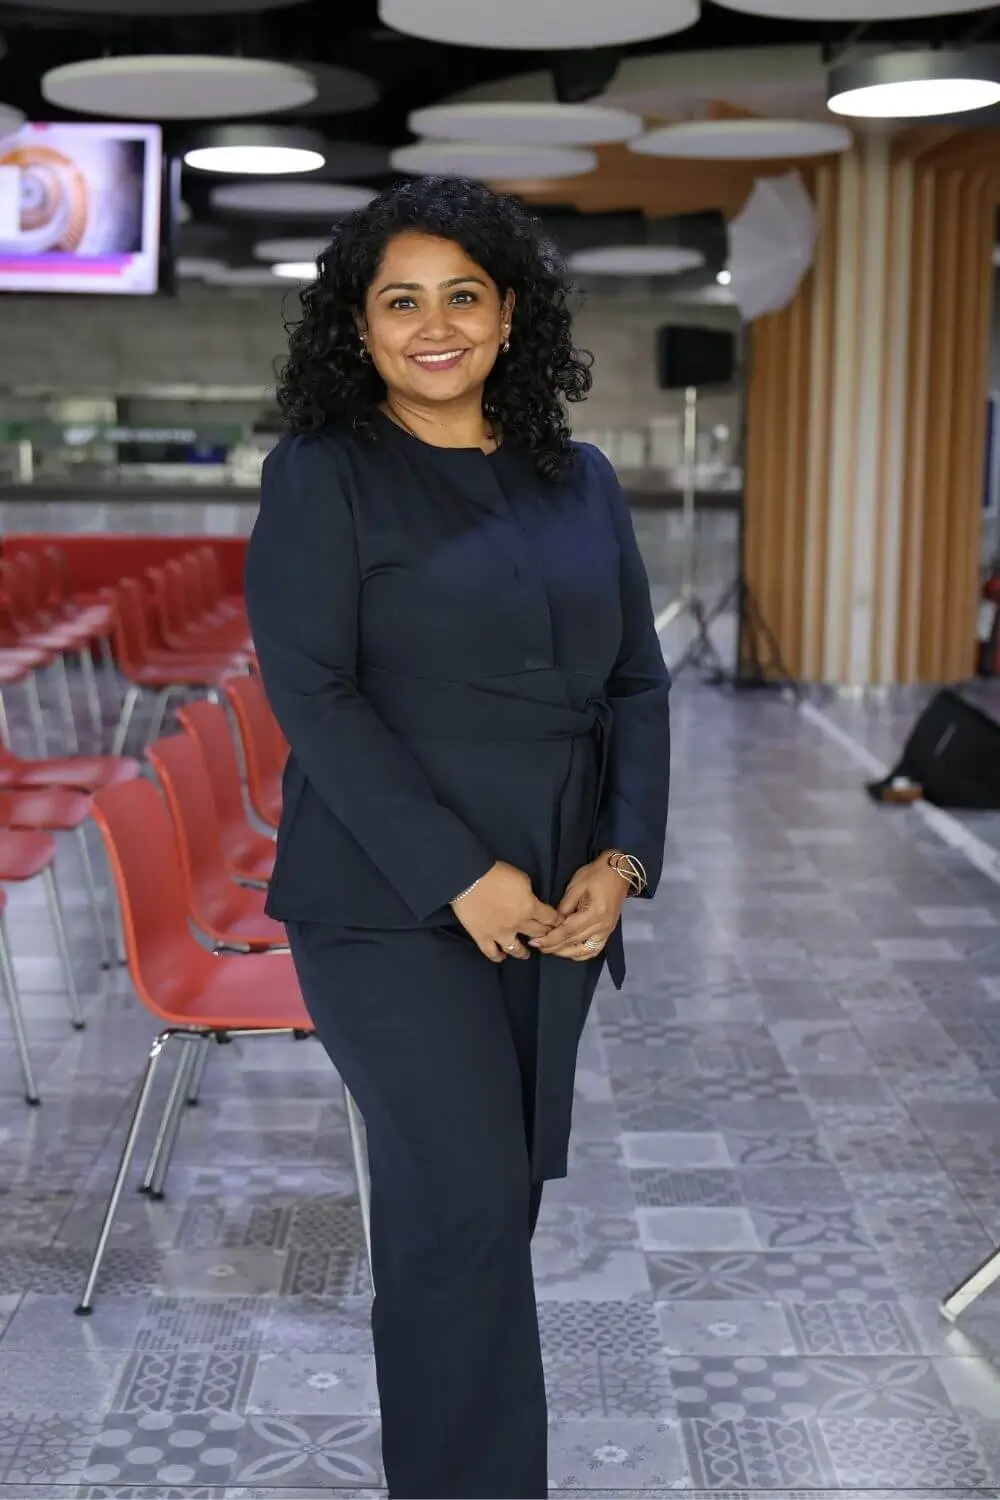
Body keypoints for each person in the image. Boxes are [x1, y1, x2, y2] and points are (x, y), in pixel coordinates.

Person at [244, 175, 671, 1500]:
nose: (435, 326)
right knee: (466, 1209)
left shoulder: (580, 480)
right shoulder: (323, 474)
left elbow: (636, 684)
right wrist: (457, 874)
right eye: (401, 302)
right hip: (384, 901)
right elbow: (314, 694)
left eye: (463, 296)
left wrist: (621, 857)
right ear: (359, 327)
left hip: (555, 899)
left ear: (510, 315)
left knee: (490, 1209)